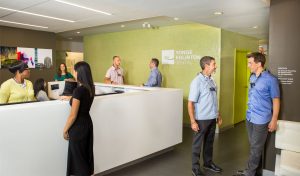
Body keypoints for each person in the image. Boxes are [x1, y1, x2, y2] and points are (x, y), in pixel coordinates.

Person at [234, 52, 280, 176]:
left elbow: (276, 100)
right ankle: (254, 170)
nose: (248, 65)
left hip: (262, 119)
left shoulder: (271, 80)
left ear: (259, 64)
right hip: (250, 117)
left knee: (255, 147)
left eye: (250, 63)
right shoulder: (252, 77)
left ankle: (249, 173)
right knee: (254, 146)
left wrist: (274, 119)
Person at [188, 56, 222, 176]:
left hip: (212, 118)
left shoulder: (212, 80)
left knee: (209, 142)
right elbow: (190, 102)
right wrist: (193, 121)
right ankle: (195, 167)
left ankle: (208, 163)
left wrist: (218, 115)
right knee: (197, 144)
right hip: (201, 119)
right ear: (206, 66)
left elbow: (214, 100)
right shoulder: (197, 81)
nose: (215, 66)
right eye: (214, 64)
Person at [62, 61, 95, 176]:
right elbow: (80, 99)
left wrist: (65, 129)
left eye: (75, 71)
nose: (73, 73)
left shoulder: (78, 91)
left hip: (78, 127)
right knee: (85, 155)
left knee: (78, 158)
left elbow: (73, 115)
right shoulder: (90, 88)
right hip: (87, 124)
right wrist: (71, 98)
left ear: (79, 73)